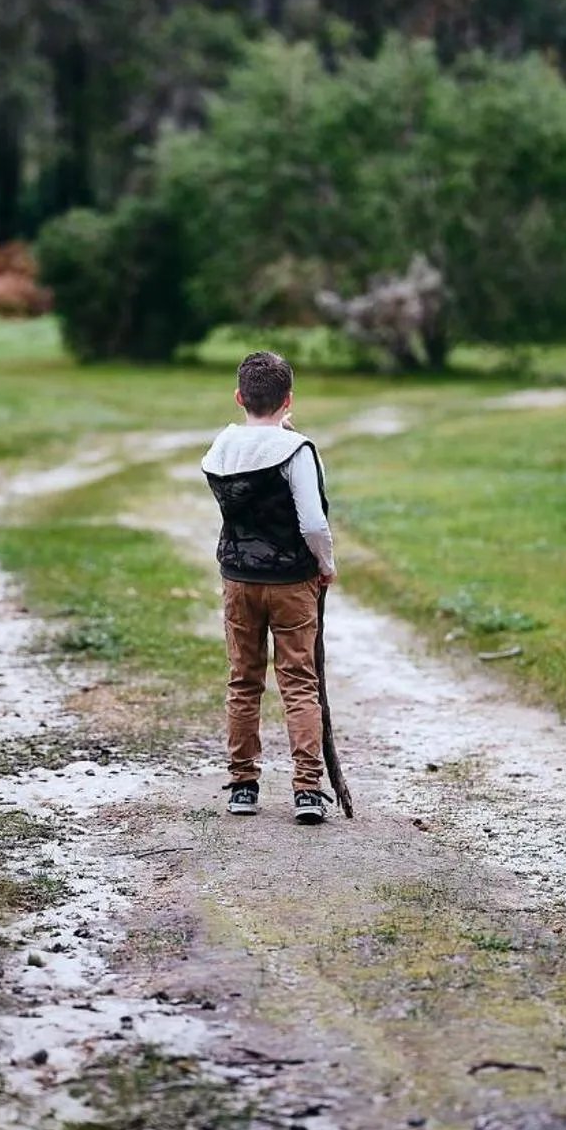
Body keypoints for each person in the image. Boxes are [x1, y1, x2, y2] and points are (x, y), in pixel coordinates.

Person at [201, 351, 337, 825]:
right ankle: (306, 789)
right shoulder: (295, 450)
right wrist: (326, 564)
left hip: (238, 578)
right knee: (299, 683)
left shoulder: (221, 449)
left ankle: (243, 784)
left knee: (244, 680)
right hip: (291, 582)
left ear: (239, 397)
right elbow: (313, 522)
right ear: (289, 400)